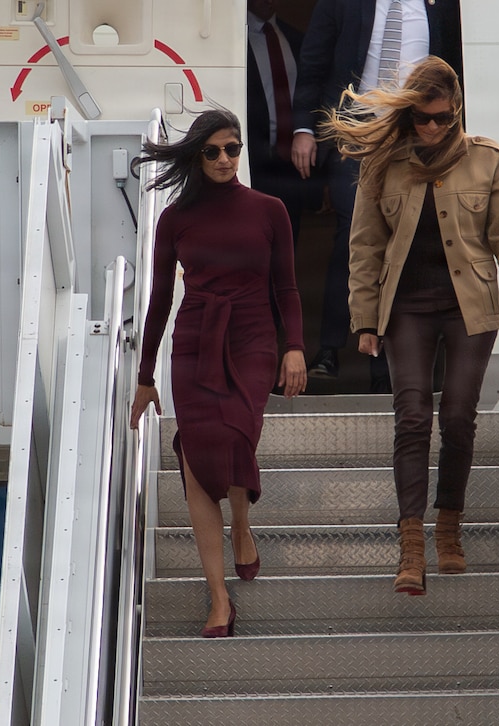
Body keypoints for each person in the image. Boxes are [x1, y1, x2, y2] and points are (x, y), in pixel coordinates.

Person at [320, 56, 499, 595]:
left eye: (441, 118)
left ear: (457, 113)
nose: (430, 128)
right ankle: (411, 549)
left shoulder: (486, 160)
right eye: (422, 118)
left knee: (458, 417)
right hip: (405, 307)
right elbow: (365, 246)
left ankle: (449, 531)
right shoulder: (384, 164)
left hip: (470, 307)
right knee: (412, 416)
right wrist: (364, 318)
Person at [129, 109, 308, 636]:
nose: (226, 159)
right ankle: (218, 599)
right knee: (197, 465)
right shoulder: (175, 219)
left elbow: (288, 289)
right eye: (214, 151)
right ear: (197, 156)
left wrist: (293, 347)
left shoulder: (269, 210)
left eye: (233, 149)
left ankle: (243, 524)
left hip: (253, 338)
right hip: (195, 341)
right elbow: (160, 297)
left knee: (234, 438)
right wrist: (145, 375)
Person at [291, 0, 463, 392]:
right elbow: (314, 60)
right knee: (355, 235)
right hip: (358, 134)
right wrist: (304, 127)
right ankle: (332, 350)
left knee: (409, 239)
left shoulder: (442, 7)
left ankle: (390, 367)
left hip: (420, 133)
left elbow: (457, 66)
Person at [246, 0, 305, 244]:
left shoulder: (295, 38)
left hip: (291, 162)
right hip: (254, 162)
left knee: (289, 240)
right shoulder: (233, 43)